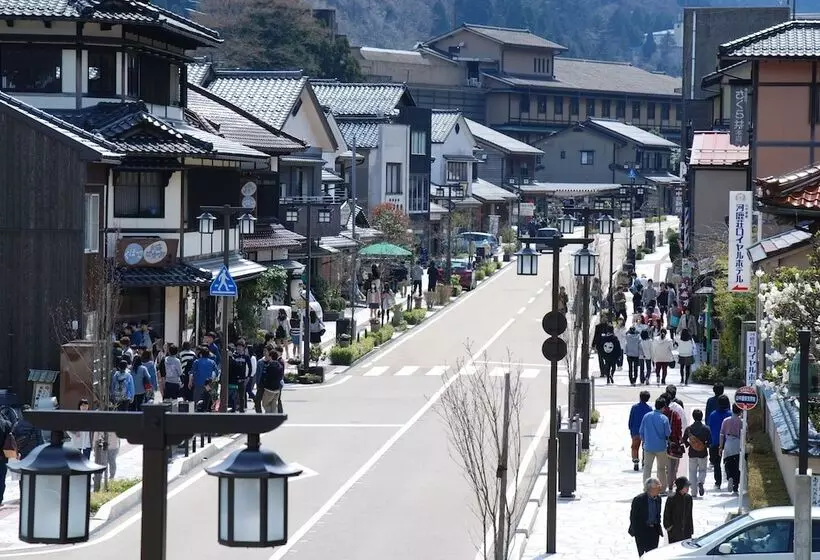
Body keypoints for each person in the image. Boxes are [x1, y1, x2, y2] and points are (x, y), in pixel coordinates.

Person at [639, 398, 671, 492]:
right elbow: (668, 433)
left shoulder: (646, 416)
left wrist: (645, 440)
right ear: (663, 407)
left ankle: (646, 488)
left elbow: (641, 431)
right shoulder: (664, 418)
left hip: (648, 447)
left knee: (647, 468)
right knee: (661, 469)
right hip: (661, 447)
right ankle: (661, 488)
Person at [628, 477, 664, 556]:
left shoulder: (658, 499)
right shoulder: (639, 499)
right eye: (658, 487)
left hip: (654, 531)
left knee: (653, 554)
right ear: (651, 488)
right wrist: (637, 531)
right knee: (643, 555)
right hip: (642, 531)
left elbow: (658, 514)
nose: (660, 488)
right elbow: (633, 517)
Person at [683, 409, 711, 497]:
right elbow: (710, 442)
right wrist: (704, 446)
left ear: (693, 417)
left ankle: (694, 492)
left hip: (692, 453)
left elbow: (684, 439)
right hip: (702, 453)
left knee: (692, 472)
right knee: (703, 470)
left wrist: (690, 444)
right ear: (701, 417)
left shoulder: (689, 429)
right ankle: (700, 482)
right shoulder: (706, 428)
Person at [661, 393, 684, 494]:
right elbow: (679, 429)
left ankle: (664, 485)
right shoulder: (675, 414)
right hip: (673, 442)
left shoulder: (660, 414)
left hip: (661, 442)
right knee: (672, 466)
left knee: (662, 466)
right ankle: (671, 485)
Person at [708, 394, 732, 489]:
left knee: (717, 464)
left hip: (715, 441)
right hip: (728, 442)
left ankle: (718, 483)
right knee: (729, 462)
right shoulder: (730, 415)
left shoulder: (713, 414)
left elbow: (710, 427)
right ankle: (730, 477)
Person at [721, 404, 744, 494]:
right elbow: (745, 435)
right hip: (738, 443)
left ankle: (729, 476)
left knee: (727, 462)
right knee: (737, 465)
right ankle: (735, 486)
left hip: (728, 443)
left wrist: (720, 447)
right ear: (740, 411)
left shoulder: (726, 420)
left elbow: (722, 434)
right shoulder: (742, 422)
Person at [663, 477, 694, 544]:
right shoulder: (671, 498)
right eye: (686, 486)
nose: (688, 488)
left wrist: (691, 529)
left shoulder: (688, 498)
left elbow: (689, 515)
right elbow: (667, 514)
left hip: (686, 531)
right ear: (680, 486)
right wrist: (669, 527)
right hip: (674, 532)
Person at [628, 391, 652, 471]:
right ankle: (644, 462)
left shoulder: (634, 407)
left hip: (635, 430)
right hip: (646, 432)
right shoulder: (649, 409)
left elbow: (631, 419)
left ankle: (635, 461)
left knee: (634, 447)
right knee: (645, 448)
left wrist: (630, 428)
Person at [592, 314, 611, 378]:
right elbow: (595, 335)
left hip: (607, 345)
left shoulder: (609, 326)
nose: (604, 319)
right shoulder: (598, 326)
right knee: (600, 359)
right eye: (603, 318)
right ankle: (602, 372)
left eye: (605, 318)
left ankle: (606, 371)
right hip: (599, 344)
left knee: (607, 359)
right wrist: (593, 345)